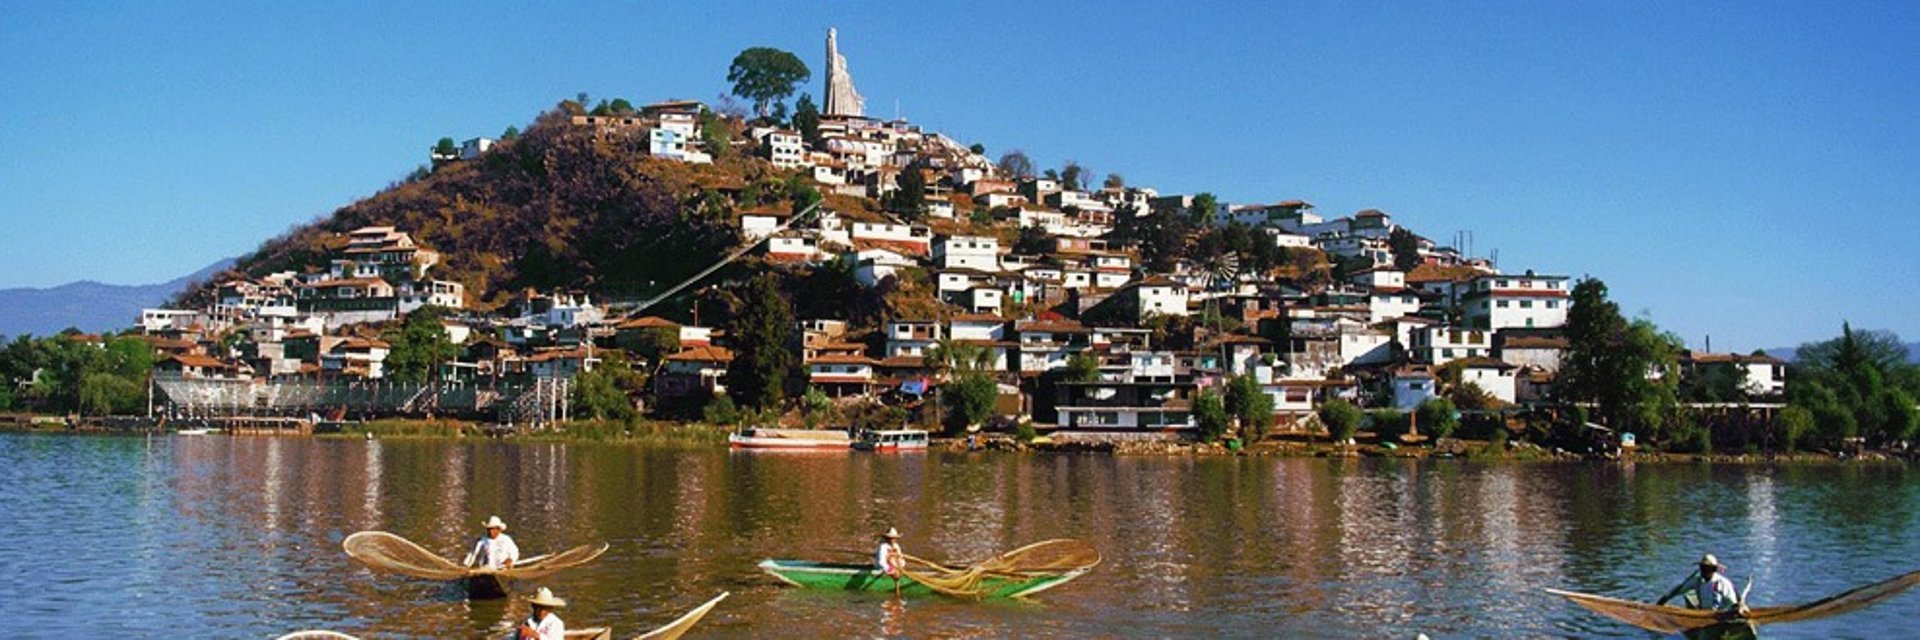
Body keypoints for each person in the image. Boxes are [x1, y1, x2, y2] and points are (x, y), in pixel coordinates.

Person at [1658, 554, 1745, 612]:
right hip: (1704, 614)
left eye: (1706, 568)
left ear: (1713, 569)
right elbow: (1678, 590)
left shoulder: (1722, 583)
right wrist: (1663, 600)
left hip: (1721, 615)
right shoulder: (1697, 581)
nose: (1703, 571)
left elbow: (1733, 603)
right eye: (1702, 568)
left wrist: (1738, 608)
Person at [875, 527, 905, 593]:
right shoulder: (883, 546)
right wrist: (890, 570)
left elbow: (901, 559)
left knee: (894, 558)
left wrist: (900, 567)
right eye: (891, 538)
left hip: (896, 567)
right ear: (887, 538)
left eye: (894, 538)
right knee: (890, 557)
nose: (892, 539)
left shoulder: (896, 546)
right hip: (883, 568)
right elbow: (881, 562)